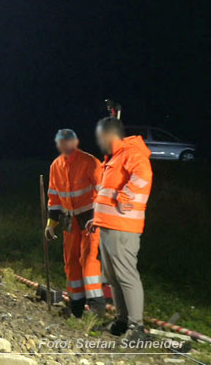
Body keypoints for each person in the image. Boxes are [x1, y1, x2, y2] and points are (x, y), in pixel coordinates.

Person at [89, 117, 152, 341]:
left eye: (100, 137)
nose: (98, 142)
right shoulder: (114, 158)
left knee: (126, 276)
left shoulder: (131, 153)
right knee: (113, 277)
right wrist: (96, 218)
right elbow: (107, 193)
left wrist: (126, 195)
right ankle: (122, 320)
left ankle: (137, 328)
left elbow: (143, 175)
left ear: (109, 135)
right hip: (108, 225)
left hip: (123, 227)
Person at [45, 129, 104, 318]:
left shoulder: (90, 162)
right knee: (71, 262)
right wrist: (51, 223)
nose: (64, 145)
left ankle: (96, 307)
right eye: (61, 142)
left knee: (89, 261)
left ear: (75, 143)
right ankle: (76, 306)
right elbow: (53, 198)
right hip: (70, 220)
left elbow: (103, 192)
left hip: (90, 218)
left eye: (67, 141)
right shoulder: (56, 166)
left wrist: (101, 217)